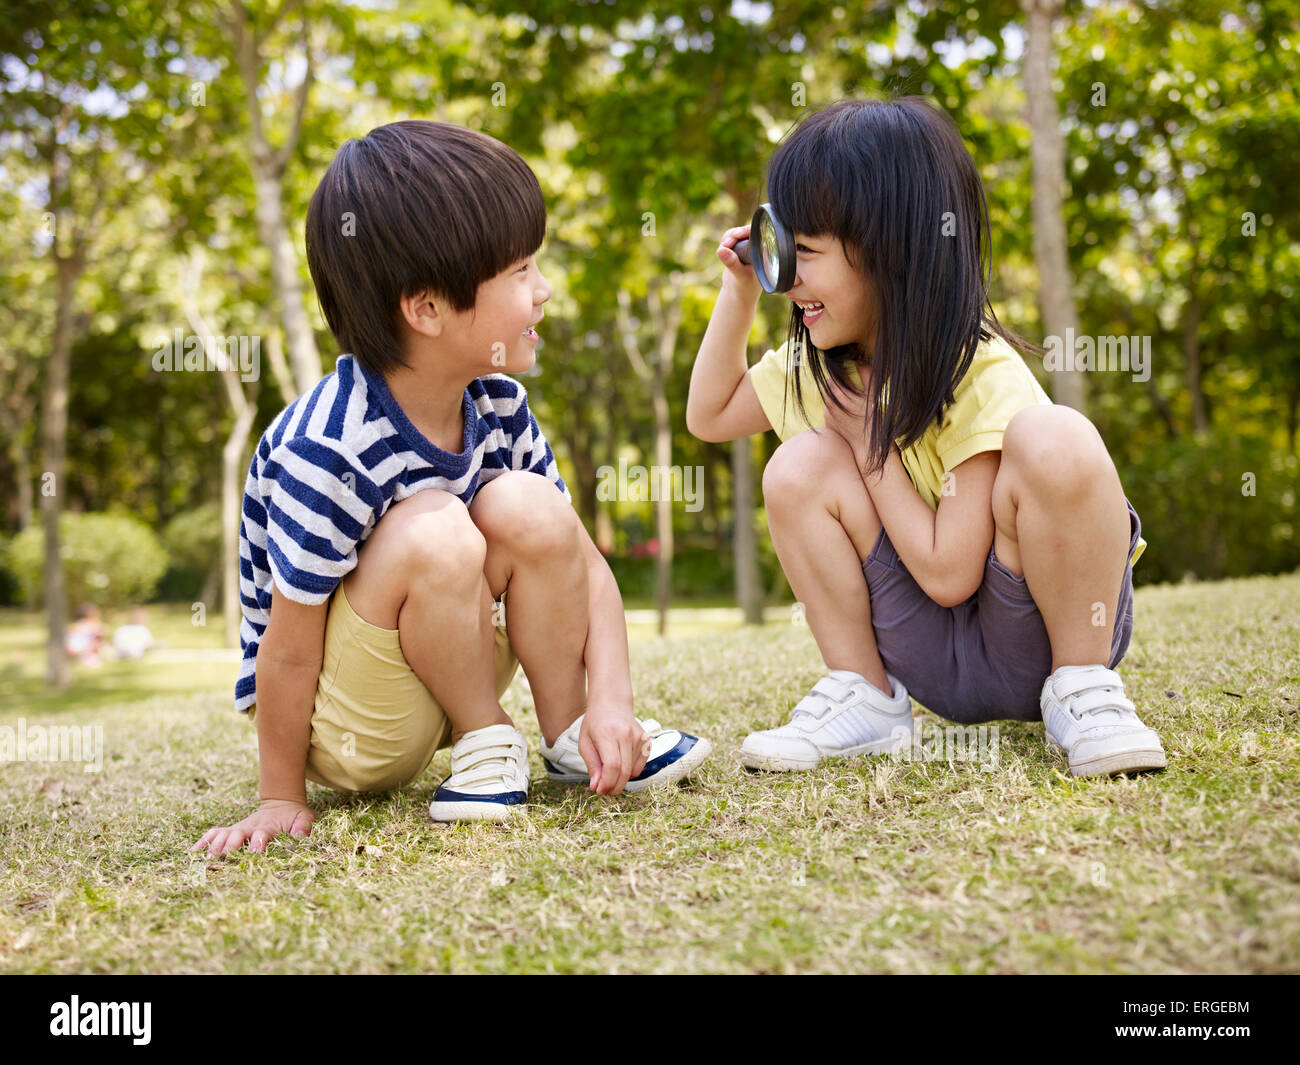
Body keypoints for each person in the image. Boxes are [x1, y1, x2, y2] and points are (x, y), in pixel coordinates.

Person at [193, 121, 710, 857]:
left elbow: (580, 562)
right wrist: (280, 794)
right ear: (427, 308)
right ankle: (487, 731)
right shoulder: (329, 443)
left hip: (448, 649)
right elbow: (287, 646)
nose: (545, 290)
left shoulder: (498, 404)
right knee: (434, 522)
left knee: (530, 506)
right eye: (522, 270)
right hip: (353, 728)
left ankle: (568, 738)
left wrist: (612, 701)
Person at [686, 96, 1165, 779]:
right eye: (783, 252)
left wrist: (871, 446)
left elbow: (949, 573)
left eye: (806, 255)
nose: (788, 278)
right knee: (799, 465)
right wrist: (738, 290)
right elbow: (710, 413)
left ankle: (1085, 689)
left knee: (1057, 435)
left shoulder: (980, 372)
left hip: (1033, 635)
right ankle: (867, 696)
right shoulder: (823, 367)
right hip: (932, 660)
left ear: (890, 254)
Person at [66, 602, 106, 667]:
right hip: (84, 652)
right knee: (98, 638)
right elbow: (102, 631)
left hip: (73, 653)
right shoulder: (93, 625)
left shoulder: (74, 626)